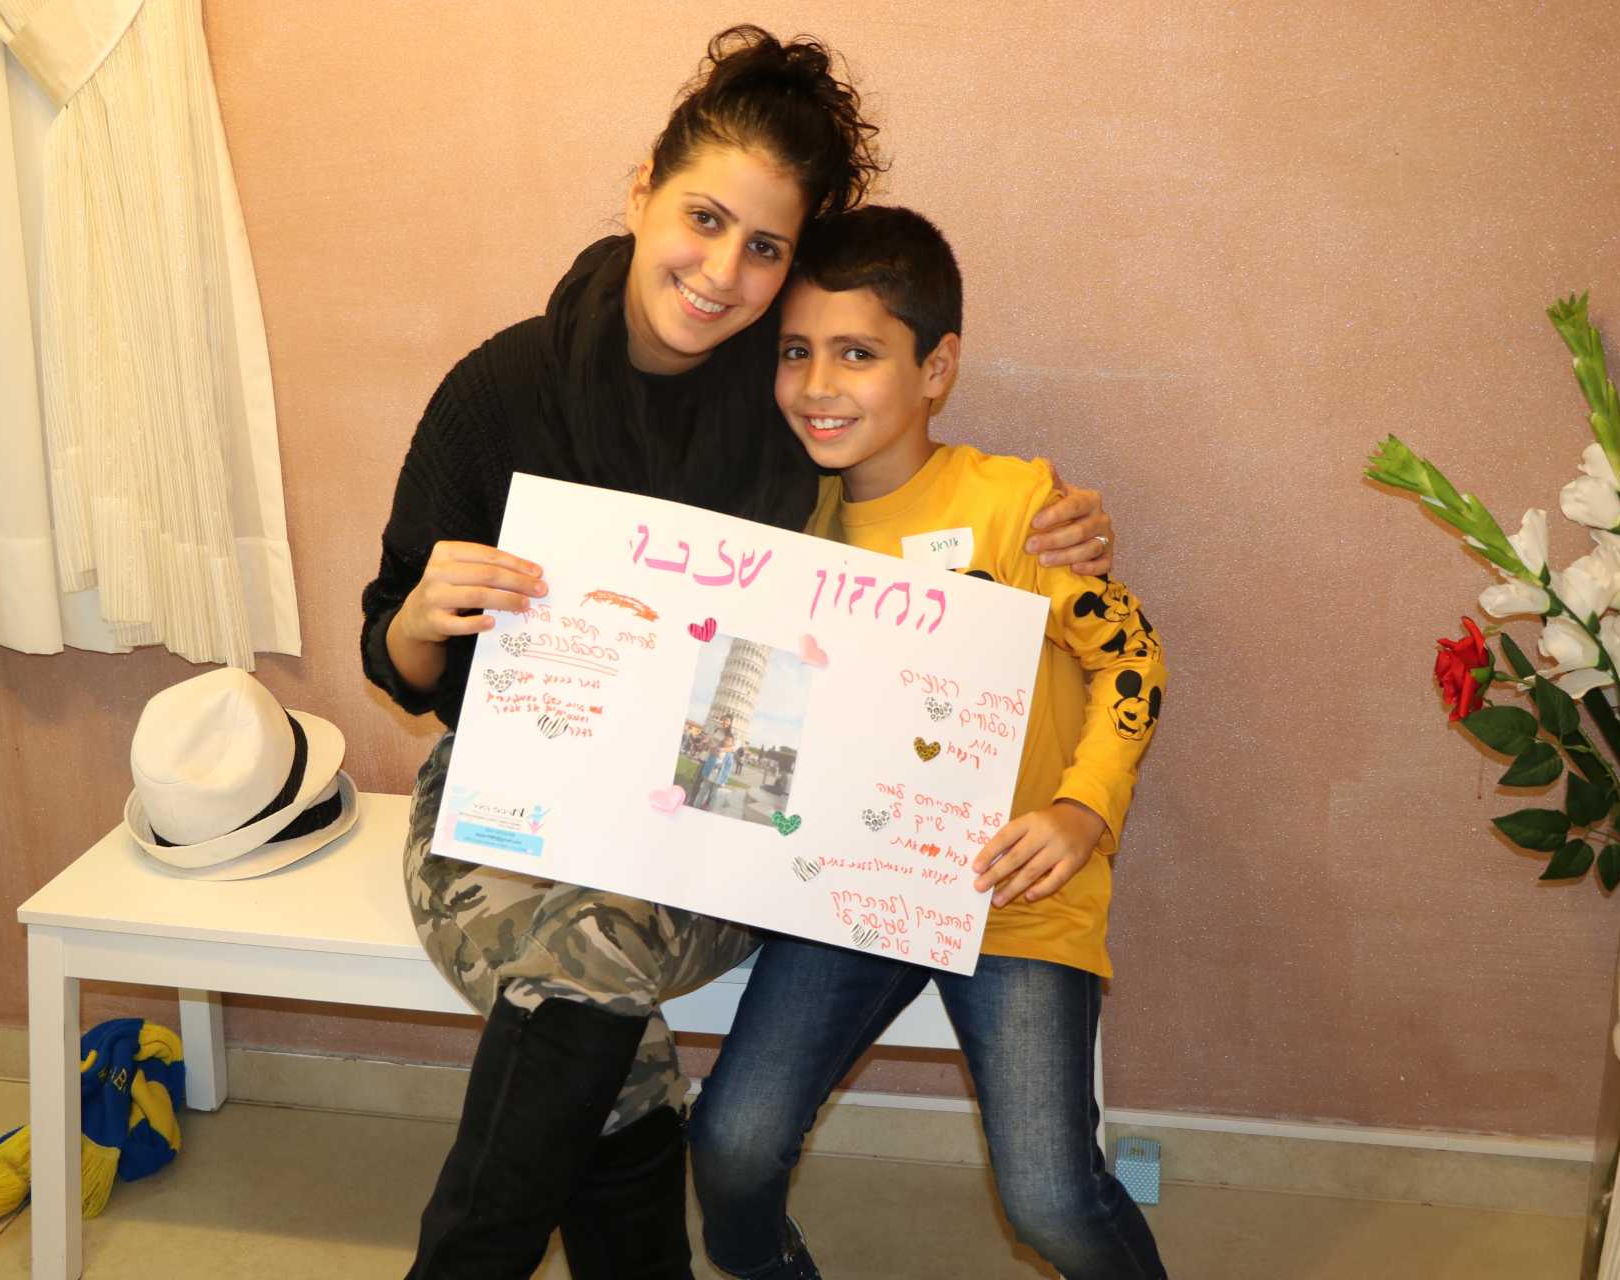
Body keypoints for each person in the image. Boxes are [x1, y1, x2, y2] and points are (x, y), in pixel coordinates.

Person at [360, 29, 1116, 1279]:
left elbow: (902, 531)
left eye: (765, 247)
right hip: (513, 784)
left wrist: (1052, 525)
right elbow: (395, 661)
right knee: (591, 999)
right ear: (641, 191)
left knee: (583, 959)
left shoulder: (786, 409)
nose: (722, 271)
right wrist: (420, 616)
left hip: (717, 805)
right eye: (704, 219)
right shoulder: (503, 387)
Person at [688, 207, 1169, 1279]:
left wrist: (1082, 809)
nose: (819, 385)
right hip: (847, 892)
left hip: (1017, 897)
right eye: (796, 352)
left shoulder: (1016, 506)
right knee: (728, 1143)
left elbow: (1134, 660)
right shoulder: (780, 521)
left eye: (858, 353)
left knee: (1051, 1198)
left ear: (936, 368)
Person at [694, 733, 738, 809]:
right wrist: (705, 772)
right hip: (709, 775)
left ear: (732, 744)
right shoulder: (716, 749)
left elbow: (727, 770)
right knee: (703, 791)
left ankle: (710, 809)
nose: (726, 741)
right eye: (725, 739)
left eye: (729, 741)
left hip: (718, 778)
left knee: (714, 794)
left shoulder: (730, 756)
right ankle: (696, 806)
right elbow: (709, 761)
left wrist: (723, 781)